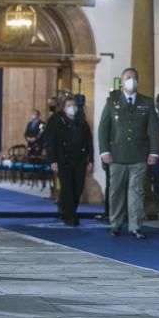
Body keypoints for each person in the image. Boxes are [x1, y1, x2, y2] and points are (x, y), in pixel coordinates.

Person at [98, 68, 159, 238]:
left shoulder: (146, 103)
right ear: (122, 80)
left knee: (136, 191)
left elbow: (154, 129)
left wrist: (154, 152)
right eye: (127, 77)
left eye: (133, 77)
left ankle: (135, 226)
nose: (130, 80)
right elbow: (103, 128)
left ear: (137, 81)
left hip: (139, 155)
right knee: (116, 191)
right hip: (116, 154)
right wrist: (104, 151)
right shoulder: (112, 101)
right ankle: (115, 223)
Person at [46, 96, 93, 227]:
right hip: (63, 160)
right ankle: (70, 216)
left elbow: (89, 142)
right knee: (67, 188)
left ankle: (65, 208)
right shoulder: (56, 121)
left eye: (74, 105)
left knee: (77, 188)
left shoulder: (83, 123)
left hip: (80, 160)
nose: (72, 107)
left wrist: (91, 160)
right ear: (63, 108)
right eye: (68, 105)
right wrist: (52, 160)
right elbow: (50, 142)